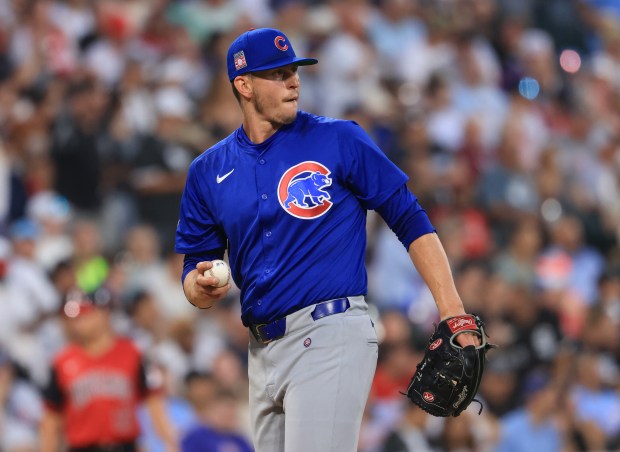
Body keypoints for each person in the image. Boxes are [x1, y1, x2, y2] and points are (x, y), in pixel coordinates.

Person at [175, 27, 478, 452]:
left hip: (330, 331)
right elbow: (195, 269)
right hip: (261, 351)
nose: (293, 81)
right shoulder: (208, 170)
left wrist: (453, 312)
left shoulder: (337, 139)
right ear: (243, 85)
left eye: (293, 71)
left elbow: (409, 217)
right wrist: (200, 285)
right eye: (277, 74)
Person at [39, 288, 179, 452]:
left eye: (85, 315)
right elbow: (51, 418)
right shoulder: (61, 361)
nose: (78, 322)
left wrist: (170, 442)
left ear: (104, 313)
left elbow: (154, 401)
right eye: (75, 318)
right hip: (82, 447)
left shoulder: (133, 353)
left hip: (125, 445)